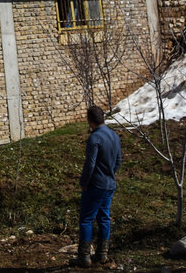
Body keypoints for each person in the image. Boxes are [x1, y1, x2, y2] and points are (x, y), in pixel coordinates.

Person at [72, 105, 122, 267]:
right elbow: (119, 161)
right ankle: (102, 254)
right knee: (104, 218)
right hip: (109, 184)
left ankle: (84, 257)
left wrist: (84, 183)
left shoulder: (94, 138)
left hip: (95, 185)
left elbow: (90, 164)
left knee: (86, 220)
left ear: (90, 120)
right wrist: (110, 173)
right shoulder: (114, 136)